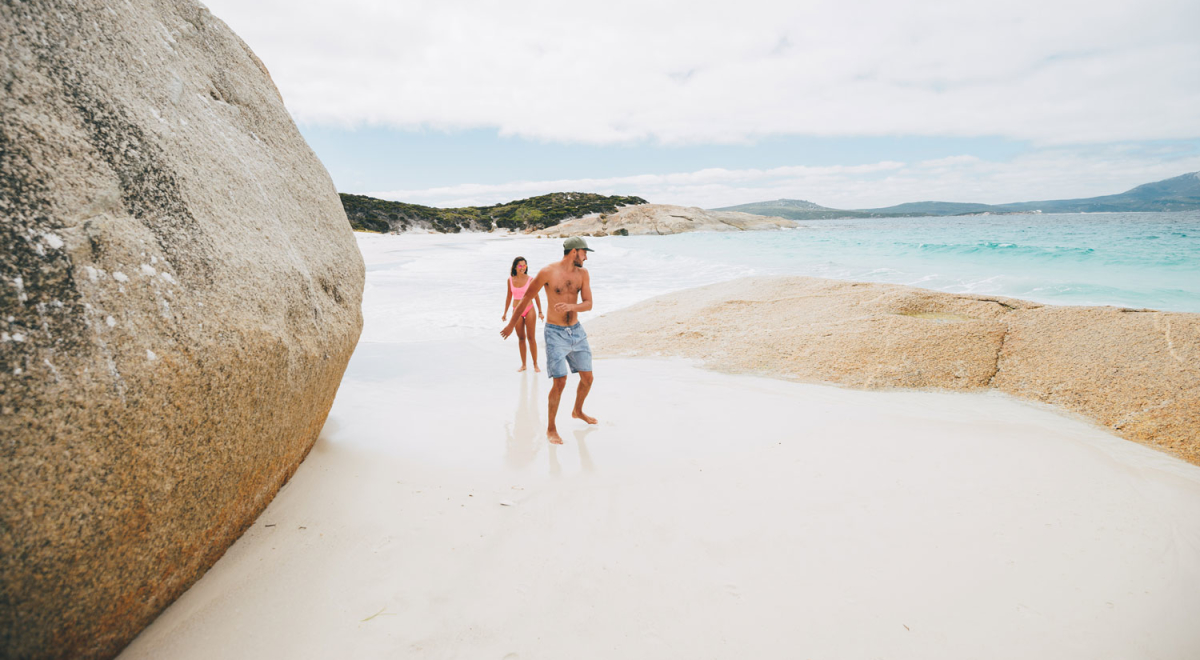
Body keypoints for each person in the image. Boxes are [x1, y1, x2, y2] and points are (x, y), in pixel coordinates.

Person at [501, 237, 597, 444]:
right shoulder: (547, 272)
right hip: (555, 332)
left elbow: (588, 303)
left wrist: (571, 307)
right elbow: (526, 299)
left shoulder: (583, 274)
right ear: (574, 251)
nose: (586, 257)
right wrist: (511, 324)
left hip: (576, 332)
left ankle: (578, 410)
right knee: (560, 381)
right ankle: (551, 428)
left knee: (588, 378)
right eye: (584, 253)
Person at [501, 256, 543, 372]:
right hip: (516, 310)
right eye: (520, 265)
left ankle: (535, 364)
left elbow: (536, 296)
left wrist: (540, 311)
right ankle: (524, 365)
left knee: (531, 338)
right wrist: (505, 313)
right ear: (515, 267)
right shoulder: (510, 280)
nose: (523, 268)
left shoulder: (530, 280)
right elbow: (509, 297)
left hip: (529, 309)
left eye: (524, 265)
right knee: (521, 338)